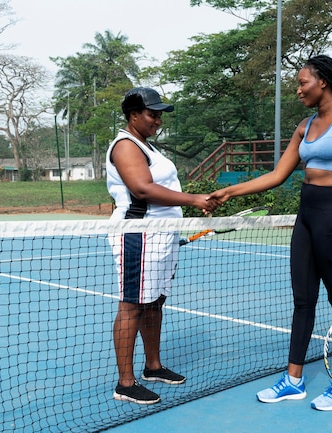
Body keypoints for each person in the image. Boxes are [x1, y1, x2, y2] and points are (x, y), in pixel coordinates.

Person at [208, 55, 332, 411]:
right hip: (306, 218)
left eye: (302, 83)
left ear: (323, 82)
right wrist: (230, 191)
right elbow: (277, 175)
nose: (298, 90)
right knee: (302, 300)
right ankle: (293, 380)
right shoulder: (304, 126)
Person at [106, 87, 220, 404]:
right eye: (151, 113)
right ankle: (125, 384)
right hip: (139, 233)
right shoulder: (126, 146)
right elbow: (142, 189)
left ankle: (153, 367)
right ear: (133, 116)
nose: (157, 119)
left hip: (163, 233)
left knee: (154, 301)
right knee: (132, 304)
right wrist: (195, 199)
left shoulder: (148, 146)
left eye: (159, 114)